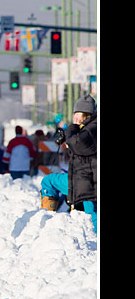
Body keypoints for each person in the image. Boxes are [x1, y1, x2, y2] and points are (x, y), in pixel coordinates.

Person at [40, 94, 97, 233]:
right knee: (49, 181)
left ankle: (47, 221)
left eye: (77, 115)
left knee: (93, 217)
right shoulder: (87, 129)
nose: (75, 119)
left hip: (87, 182)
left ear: (85, 115)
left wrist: (71, 130)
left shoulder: (92, 128)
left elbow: (79, 143)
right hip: (82, 179)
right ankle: (46, 221)